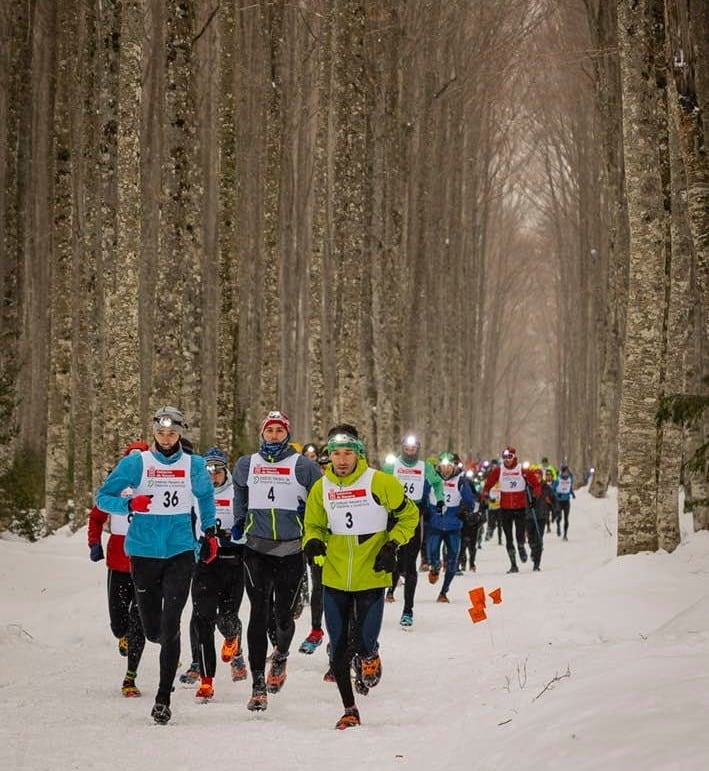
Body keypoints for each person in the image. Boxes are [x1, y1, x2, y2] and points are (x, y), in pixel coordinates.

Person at [96, 406, 217, 724]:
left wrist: (209, 530)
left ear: (181, 433)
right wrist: (128, 503)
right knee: (152, 630)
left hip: (180, 552)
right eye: (161, 432)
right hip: (144, 553)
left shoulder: (193, 464)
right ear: (154, 433)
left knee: (171, 624)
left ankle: (164, 697)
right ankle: (165, 647)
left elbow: (205, 497)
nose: (166, 438)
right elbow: (102, 498)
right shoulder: (136, 463)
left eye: (173, 433)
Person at [303, 424, 418, 729]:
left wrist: (393, 544)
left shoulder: (379, 482)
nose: (341, 460)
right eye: (336, 454)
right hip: (335, 577)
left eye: (347, 453)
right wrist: (312, 541)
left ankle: (370, 655)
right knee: (338, 647)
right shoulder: (321, 487)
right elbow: (313, 525)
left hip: (372, 576)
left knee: (364, 642)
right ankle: (349, 709)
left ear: (358, 454)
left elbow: (410, 515)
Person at [232, 410, 321, 712]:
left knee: (283, 616)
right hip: (256, 549)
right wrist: (238, 520)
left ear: (288, 434)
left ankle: (280, 655)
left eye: (278, 431)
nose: (273, 436)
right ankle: (258, 684)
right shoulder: (246, 464)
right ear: (262, 433)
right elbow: (240, 494)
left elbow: (320, 499)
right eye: (269, 431)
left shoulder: (304, 466)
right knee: (258, 613)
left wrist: (308, 520)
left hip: (291, 550)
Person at [180, 447, 247, 700]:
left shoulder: (235, 493)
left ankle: (233, 638)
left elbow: (245, 524)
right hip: (204, 563)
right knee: (202, 620)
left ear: (224, 471)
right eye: (207, 472)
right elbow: (187, 523)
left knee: (227, 618)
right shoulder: (195, 494)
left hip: (232, 563)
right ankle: (207, 680)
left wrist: (236, 535)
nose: (212, 477)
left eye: (216, 471)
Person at [88, 440, 149, 698]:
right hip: (118, 560)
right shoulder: (116, 485)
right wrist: (94, 542)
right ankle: (122, 635)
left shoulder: (154, 484)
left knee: (140, 620)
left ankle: (130, 676)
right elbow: (97, 515)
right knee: (118, 622)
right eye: (130, 459)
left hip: (147, 559)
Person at [381, 434, 444, 626]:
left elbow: (437, 482)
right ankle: (390, 589)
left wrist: (440, 499)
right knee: (390, 559)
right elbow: (380, 485)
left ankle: (408, 610)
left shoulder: (424, 467)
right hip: (393, 515)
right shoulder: (392, 465)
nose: (410, 453)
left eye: (413, 449)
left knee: (410, 565)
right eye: (407, 449)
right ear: (402, 448)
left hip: (414, 515)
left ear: (418, 449)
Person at [426, 452, 477, 601]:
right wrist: (425, 510)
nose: (446, 470)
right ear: (439, 467)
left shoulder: (460, 481)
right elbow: (423, 495)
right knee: (433, 552)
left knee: (453, 559)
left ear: (454, 467)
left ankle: (443, 592)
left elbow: (469, 500)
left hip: (454, 526)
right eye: (443, 466)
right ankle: (434, 568)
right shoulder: (432, 479)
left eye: (449, 466)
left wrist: (465, 509)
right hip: (435, 525)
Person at [482, 446, 541, 574]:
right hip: (505, 509)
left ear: (514, 457)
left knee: (519, 535)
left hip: (520, 508)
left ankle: (521, 547)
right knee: (508, 537)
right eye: (505, 457)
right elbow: (488, 484)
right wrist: (485, 494)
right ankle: (513, 564)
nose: (507, 460)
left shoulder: (522, 469)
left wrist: (535, 496)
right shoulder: (499, 470)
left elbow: (536, 483)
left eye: (510, 457)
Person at [298, 442, 326, 654]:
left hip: (346, 547)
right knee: (319, 585)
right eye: (323, 466)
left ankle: (345, 645)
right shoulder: (314, 484)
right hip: (318, 543)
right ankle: (316, 629)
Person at [553, 464, 576, 539]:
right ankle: (558, 527)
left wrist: (572, 494)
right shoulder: (557, 480)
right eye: (564, 472)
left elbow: (569, 487)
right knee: (559, 516)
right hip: (559, 501)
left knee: (566, 518)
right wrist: (557, 494)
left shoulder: (570, 479)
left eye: (567, 472)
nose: (565, 473)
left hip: (566, 501)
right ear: (561, 472)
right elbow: (552, 490)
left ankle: (565, 534)